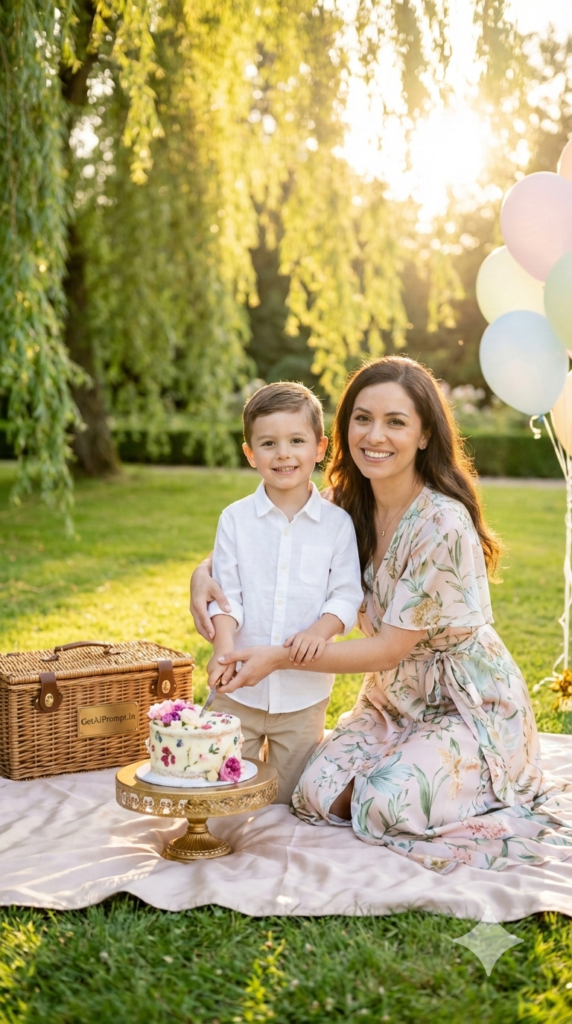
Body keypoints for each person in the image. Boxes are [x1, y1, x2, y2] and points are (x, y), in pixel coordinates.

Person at [192, 356, 572, 872]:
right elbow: (264, 540)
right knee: (315, 794)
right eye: (363, 418)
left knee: (383, 803)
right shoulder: (344, 504)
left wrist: (279, 659)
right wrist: (202, 573)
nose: (375, 435)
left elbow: (391, 647)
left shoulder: (442, 522)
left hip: (464, 701)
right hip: (392, 700)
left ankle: (476, 777)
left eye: (396, 422)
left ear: (423, 435)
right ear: (344, 427)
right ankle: (405, 764)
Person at [204, 381, 363, 804]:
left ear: (320, 448)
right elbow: (226, 594)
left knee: (292, 798)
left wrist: (320, 631)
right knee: (226, 793)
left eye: (296, 440)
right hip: (239, 691)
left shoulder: (336, 524)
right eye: (269, 443)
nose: (284, 453)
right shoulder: (235, 520)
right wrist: (222, 648)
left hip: (303, 695)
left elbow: (346, 595)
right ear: (250, 453)